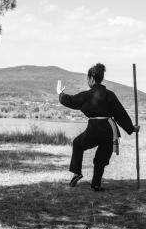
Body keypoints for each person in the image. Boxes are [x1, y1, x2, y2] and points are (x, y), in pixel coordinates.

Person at [57, 63, 140, 191]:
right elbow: (120, 114)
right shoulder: (110, 94)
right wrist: (131, 128)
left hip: (94, 129)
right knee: (101, 158)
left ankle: (76, 173)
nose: (87, 81)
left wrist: (60, 94)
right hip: (109, 129)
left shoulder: (87, 95)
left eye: (87, 79)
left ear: (91, 79)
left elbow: (71, 100)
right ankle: (96, 184)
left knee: (78, 144)